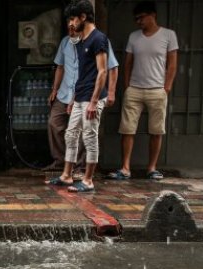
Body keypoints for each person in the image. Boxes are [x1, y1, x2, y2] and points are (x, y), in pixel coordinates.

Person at [107, 1, 178, 181]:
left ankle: (152, 168)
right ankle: (125, 168)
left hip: (157, 89)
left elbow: (172, 64)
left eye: (141, 17)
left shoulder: (169, 35)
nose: (139, 21)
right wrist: (128, 85)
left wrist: (166, 87)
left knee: (156, 130)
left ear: (152, 15)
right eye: (136, 19)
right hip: (135, 90)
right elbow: (128, 63)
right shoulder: (134, 37)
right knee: (127, 129)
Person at [45, 0, 109, 192]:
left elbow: (102, 71)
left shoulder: (98, 39)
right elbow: (80, 73)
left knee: (89, 136)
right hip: (79, 96)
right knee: (71, 134)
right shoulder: (81, 41)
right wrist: (73, 99)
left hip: (92, 98)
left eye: (73, 19)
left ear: (83, 17)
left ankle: (88, 180)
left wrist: (94, 102)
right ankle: (66, 175)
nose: (70, 23)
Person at [45, 22, 119, 173]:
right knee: (54, 124)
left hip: (86, 93)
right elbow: (60, 66)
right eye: (69, 26)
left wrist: (111, 92)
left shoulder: (98, 40)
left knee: (84, 131)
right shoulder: (65, 42)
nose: (71, 28)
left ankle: (81, 168)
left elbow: (111, 68)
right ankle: (61, 162)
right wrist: (55, 89)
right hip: (65, 92)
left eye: (74, 25)